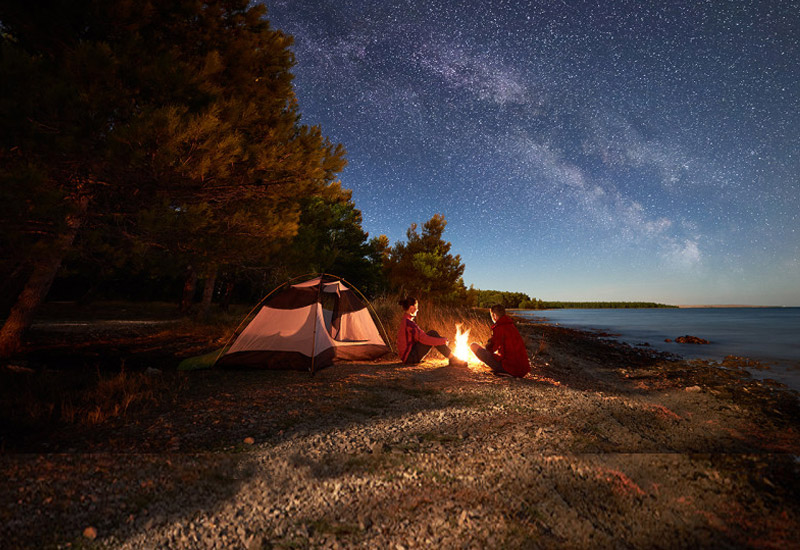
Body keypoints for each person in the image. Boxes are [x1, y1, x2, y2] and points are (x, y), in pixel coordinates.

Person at [397, 297, 468, 366]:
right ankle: (453, 359)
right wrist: (442, 341)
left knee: (432, 333)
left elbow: (419, 338)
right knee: (432, 334)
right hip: (410, 358)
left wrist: (440, 340)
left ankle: (452, 358)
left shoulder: (405, 321)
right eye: (417, 307)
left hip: (408, 357)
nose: (418, 310)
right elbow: (424, 339)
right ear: (412, 308)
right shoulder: (409, 323)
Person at [470, 304, 530, 377]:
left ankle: (504, 372)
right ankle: (505, 371)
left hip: (510, 369)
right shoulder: (511, 326)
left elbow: (496, 351)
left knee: (473, 346)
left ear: (494, 315)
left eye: (491, 316)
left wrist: (488, 350)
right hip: (522, 371)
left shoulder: (499, 328)